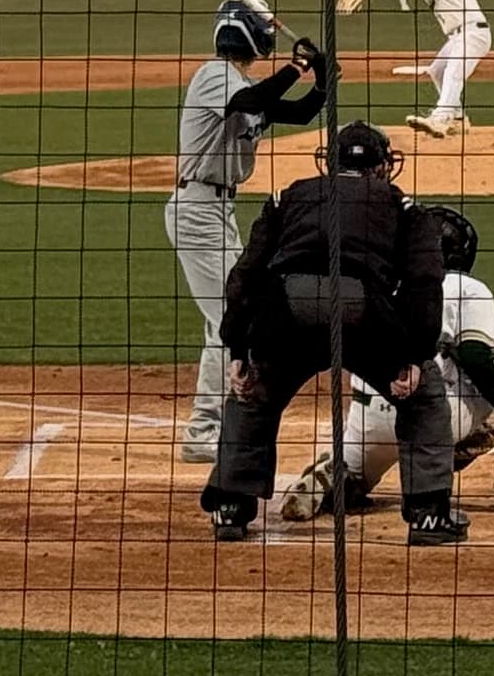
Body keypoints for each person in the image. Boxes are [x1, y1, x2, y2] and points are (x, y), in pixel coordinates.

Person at [199, 121, 470, 547]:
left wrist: (238, 348)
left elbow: (245, 275)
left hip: (286, 307)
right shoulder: (404, 207)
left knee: (253, 394)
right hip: (361, 310)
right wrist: (415, 357)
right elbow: (424, 281)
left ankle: (231, 505)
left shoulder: (287, 196)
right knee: (423, 398)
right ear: (382, 166)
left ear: (329, 161)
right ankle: (428, 515)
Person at [277, 208, 494, 520]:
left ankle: (334, 475)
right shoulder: (466, 287)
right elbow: (475, 355)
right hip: (430, 415)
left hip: (369, 417)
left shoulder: (379, 282)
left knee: (353, 483)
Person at [169, 3, 328, 458]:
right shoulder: (215, 75)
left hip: (217, 211)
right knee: (233, 318)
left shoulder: (239, 82)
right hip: (197, 207)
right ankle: (205, 431)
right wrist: (295, 66)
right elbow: (251, 103)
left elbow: (295, 114)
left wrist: (321, 80)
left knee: (223, 320)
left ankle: (203, 429)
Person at [347, 0, 494, 136]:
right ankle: (458, 118)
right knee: (438, 70)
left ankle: (441, 118)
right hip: (462, 35)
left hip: (472, 33)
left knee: (453, 72)